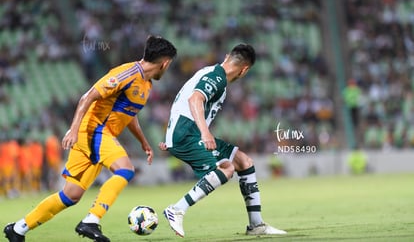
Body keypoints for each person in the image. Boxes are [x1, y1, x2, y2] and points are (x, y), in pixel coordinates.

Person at [3, 35, 177, 242]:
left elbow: (129, 114)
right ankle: (91, 220)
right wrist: (73, 130)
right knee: (126, 169)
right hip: (94, 130)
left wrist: (143, 141)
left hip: (97, 135)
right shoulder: (126, 73)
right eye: (170, 64)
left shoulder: (146, 84)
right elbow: (88, 97)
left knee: (70, 196)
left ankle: (18, 229)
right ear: (165, 63)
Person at [159, 44, 286, 237]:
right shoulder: (217, 77)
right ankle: (177, 209)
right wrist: (204, 132)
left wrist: (172, 137)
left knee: (244, 162)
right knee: (226, 169)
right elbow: (194, 100)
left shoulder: (212, 73)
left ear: (227, 56)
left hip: (184, 132)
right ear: (244, 70)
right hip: (188, 133)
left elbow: (182, 100)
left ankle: (256, 225)